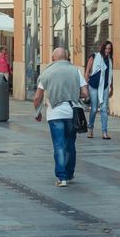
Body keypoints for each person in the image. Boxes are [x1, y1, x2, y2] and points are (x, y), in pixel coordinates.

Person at [32, 47, 88, 186]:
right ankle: (69, 174)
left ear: (53, 58)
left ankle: (61, 178)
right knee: (70, 145)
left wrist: (37, 112)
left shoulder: (47, 72)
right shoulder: (75, 71)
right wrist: (74, 94)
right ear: (67, 57)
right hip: (71, 113)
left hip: (55, 114)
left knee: (59, 145)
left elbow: (37, 97)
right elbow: (85, 93)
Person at [85, 41, 114, 140]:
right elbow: (87, 72)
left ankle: (104, 132)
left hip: (105, 86)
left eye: (109, 49)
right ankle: (90, 129)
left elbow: (110, 74)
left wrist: (111, 87)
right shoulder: (94, 56)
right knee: (93, 109)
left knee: (104, 109)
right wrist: (85, 86)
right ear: (103, 48)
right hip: (93, 85)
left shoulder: (109, 60)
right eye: (106, 48)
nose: (107, 51)